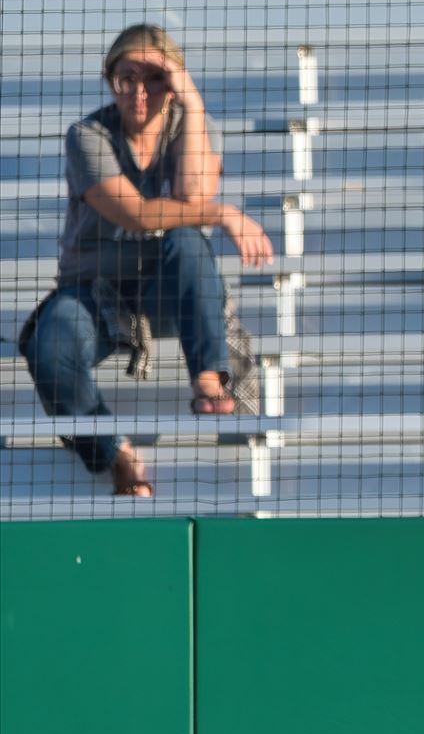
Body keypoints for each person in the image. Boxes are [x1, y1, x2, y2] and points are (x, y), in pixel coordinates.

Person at [18, 24, 275, 496]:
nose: (139, 92)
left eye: (154, 78)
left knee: (186, 240)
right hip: (94, 291)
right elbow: (134, 214)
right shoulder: (87, 136)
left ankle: (208, 380)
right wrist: (224, 214)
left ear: (174, 81)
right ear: (109, 79)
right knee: (49, 349)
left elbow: (193, 193)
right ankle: (114, 453)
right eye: (126, 77)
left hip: (167, 288)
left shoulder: (192, 125)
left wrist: (192, 104)